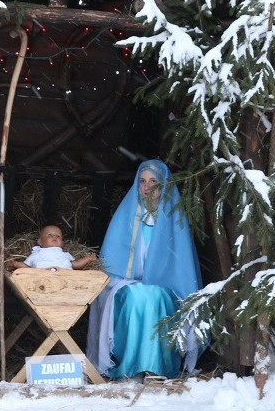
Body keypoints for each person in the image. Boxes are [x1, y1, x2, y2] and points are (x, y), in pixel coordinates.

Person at [86, 159, 203, 380]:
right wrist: (130, 280)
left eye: (153, 182)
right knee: (136, 296)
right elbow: (110, 265)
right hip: (125, 284)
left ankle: (158, 366)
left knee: (153, 296)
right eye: (142, 181)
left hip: (166, 290)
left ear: (164, 185)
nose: (147, 187)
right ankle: (130, 366)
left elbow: (182, 270)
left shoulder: (175, 221)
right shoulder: (125, 216)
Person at [7, 225, 97, 270]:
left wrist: (87, 259)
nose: (54, 237)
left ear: (62, 243)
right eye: (50, 235)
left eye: (58, 236)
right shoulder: (37, 253)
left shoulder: (65, 254)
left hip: (66, 277)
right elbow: (26, 266)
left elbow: (76, 265)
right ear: (40, 242)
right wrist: (15, 264)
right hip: (41, 278)